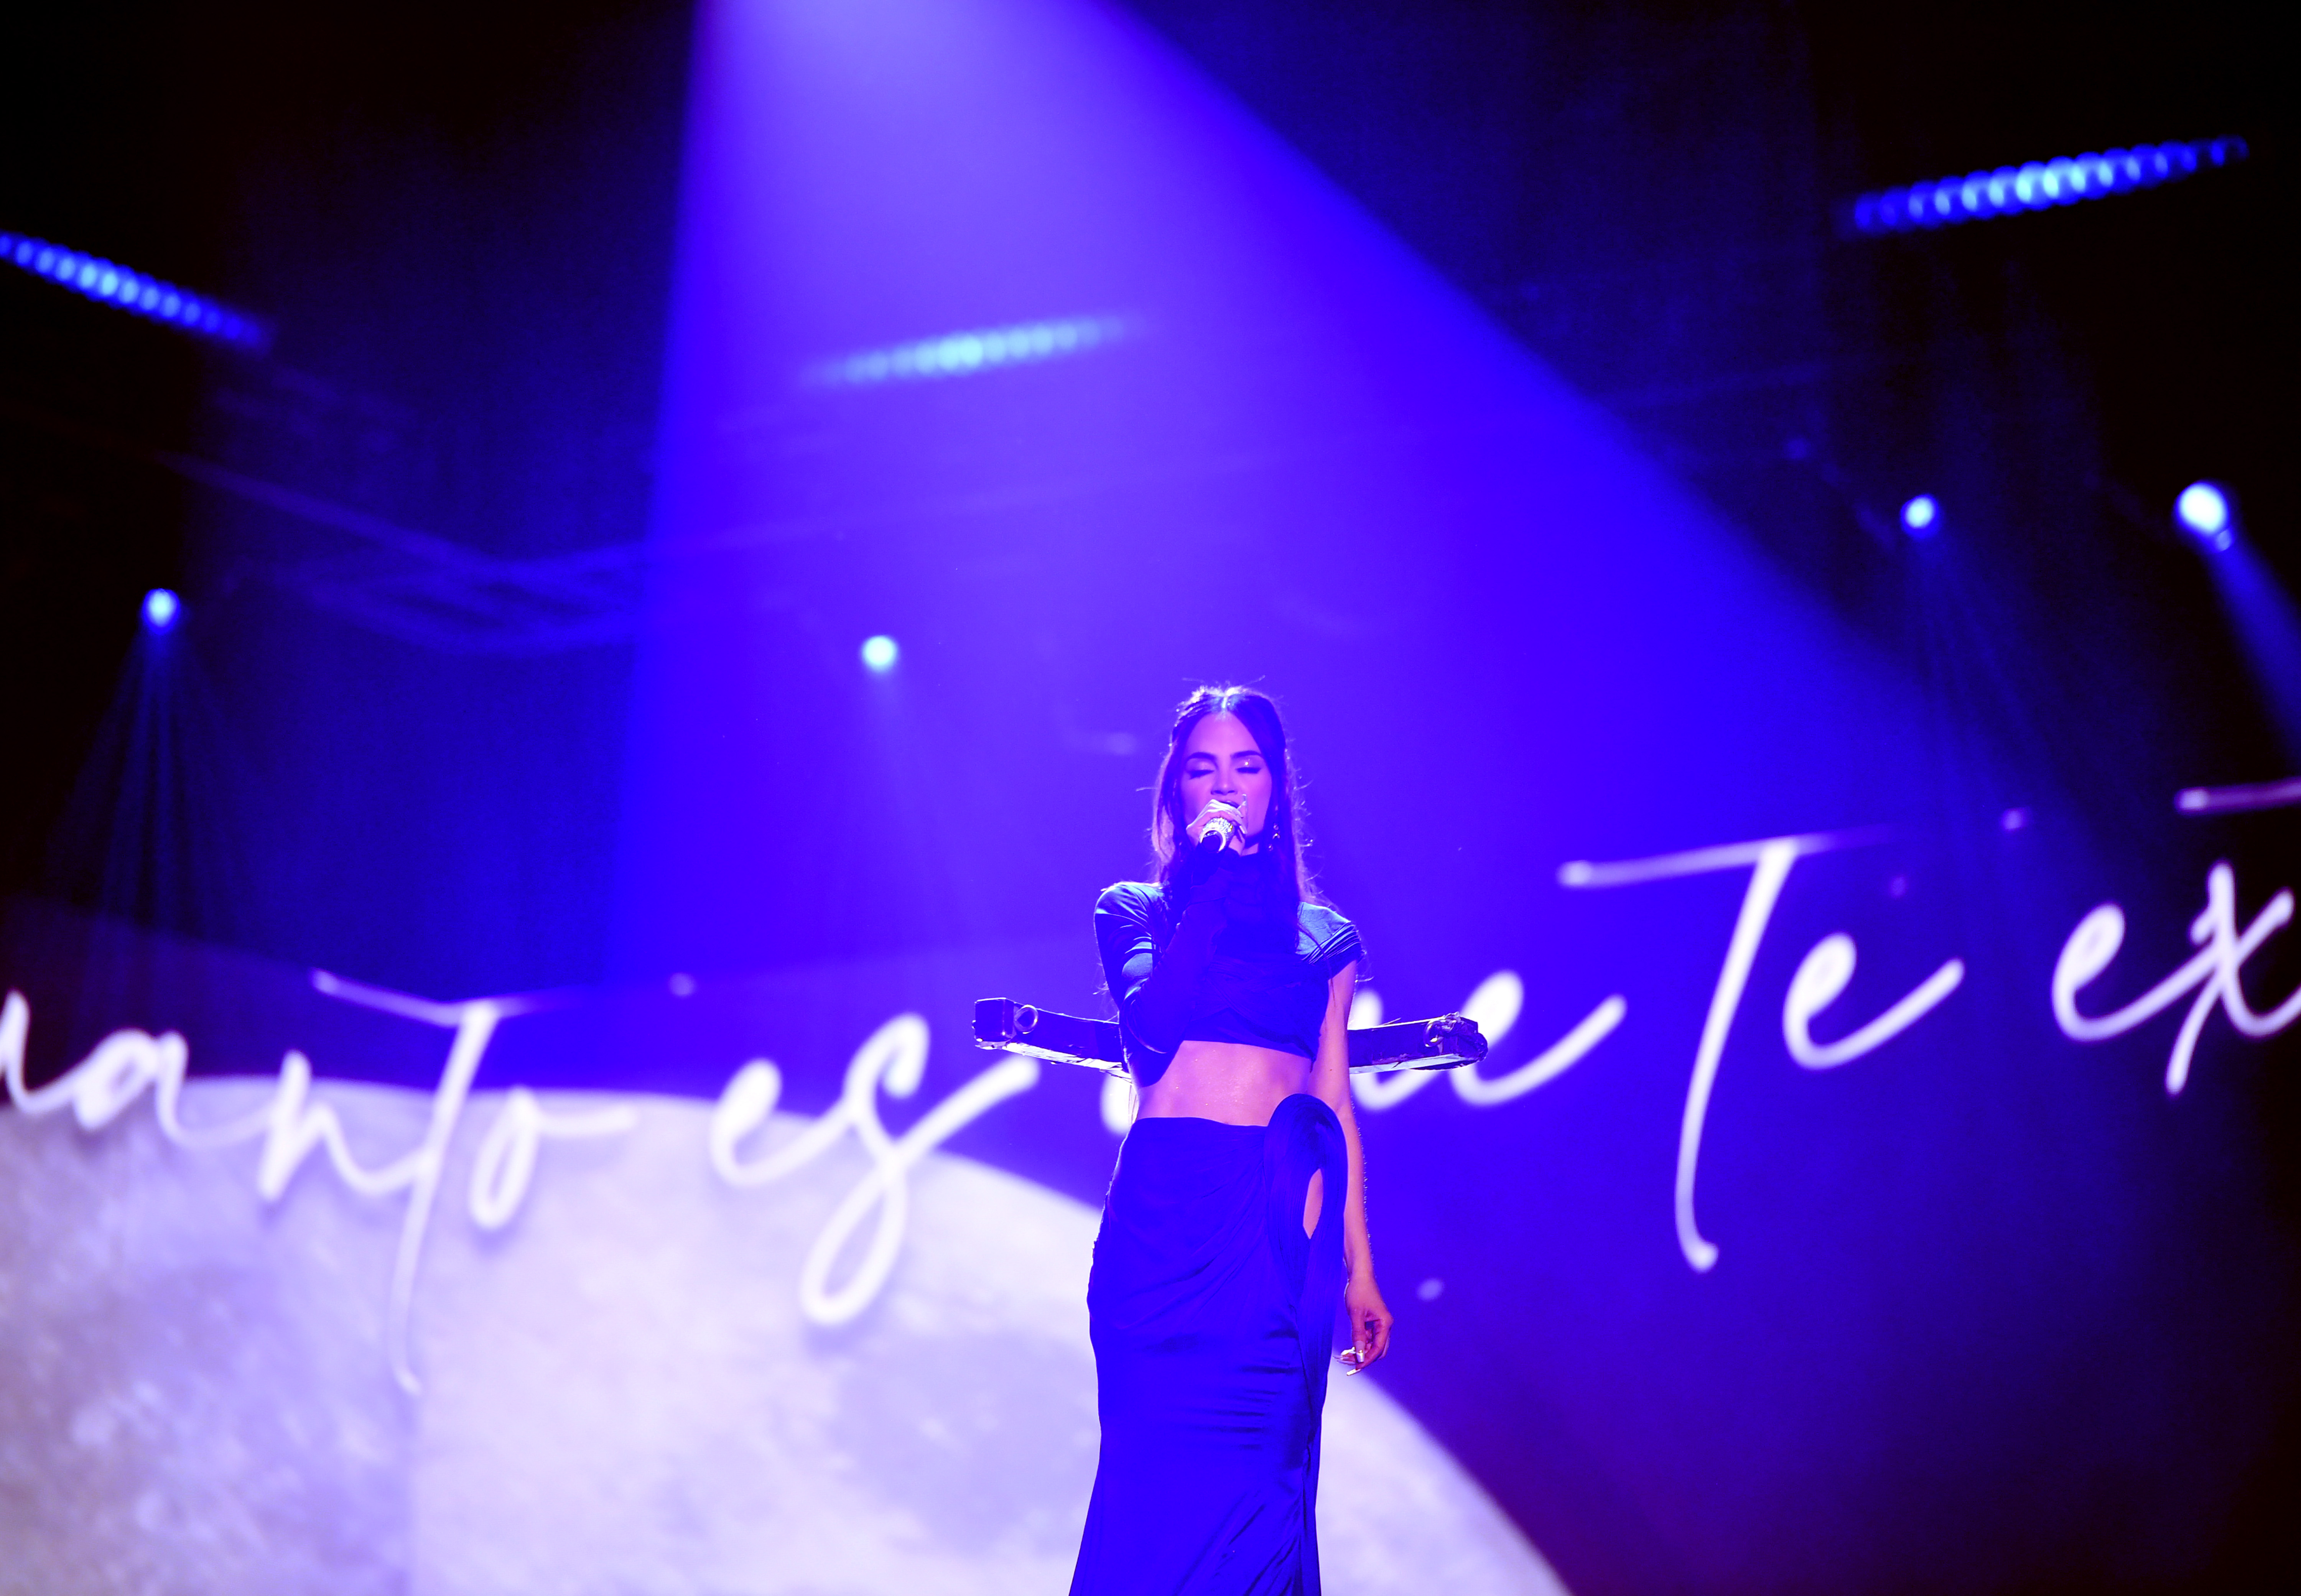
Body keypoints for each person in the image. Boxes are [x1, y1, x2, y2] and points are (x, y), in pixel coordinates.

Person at [1069, 685, 1393, 1596]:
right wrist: (1206, 889)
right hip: (1162, 1233)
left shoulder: (1326, 937)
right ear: (1176, 792)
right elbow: (1152, 1033)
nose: (1226, 785)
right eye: (1204, 769)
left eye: (1246, 766)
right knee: (1149, 1503)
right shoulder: (1134, 909)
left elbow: (1333, 1112)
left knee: (1264, 1490)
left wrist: (1358, 1265)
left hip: (1268, 1229)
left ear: (1276, 786)